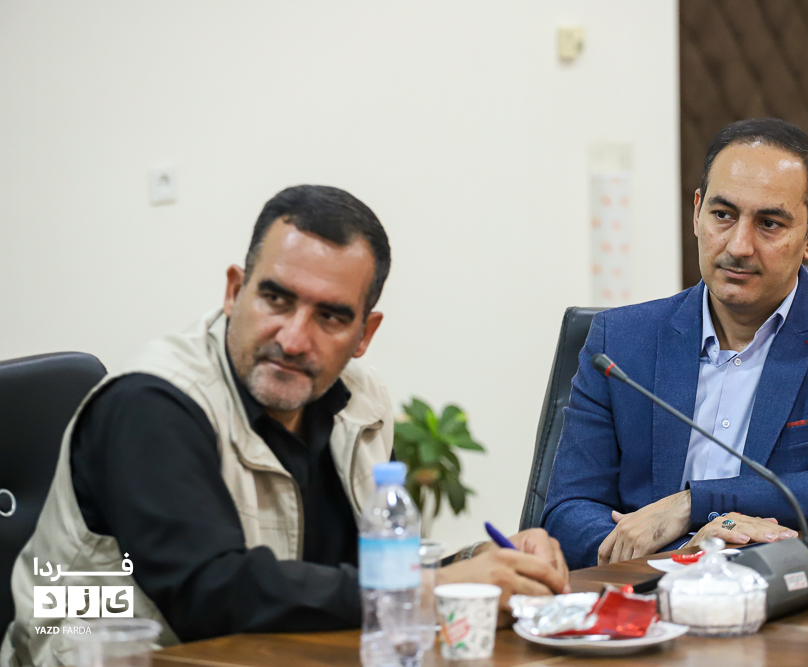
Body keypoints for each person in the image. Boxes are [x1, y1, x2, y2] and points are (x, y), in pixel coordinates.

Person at [2, 185, 568, 667]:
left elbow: (357, 579)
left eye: (331, 316)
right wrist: (435, 589)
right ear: (234, 291)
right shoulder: (153, 404)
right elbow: (211, 595)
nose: (294, 339)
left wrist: (479, 566)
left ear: (365, 334)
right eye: (276, 298)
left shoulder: (359, 403)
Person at [541, 118, 808, 570]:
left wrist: (692, 504)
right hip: (646, 597)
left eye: (769, 223)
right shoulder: (618, 340)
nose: (738, 246)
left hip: (780, 593)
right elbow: (567, 511)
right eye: (723, 215)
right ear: (697, 213)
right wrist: (683, 555)